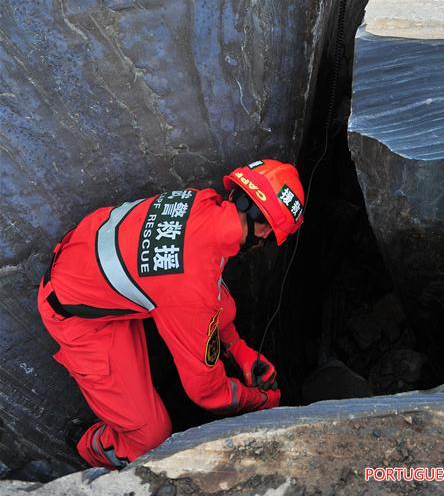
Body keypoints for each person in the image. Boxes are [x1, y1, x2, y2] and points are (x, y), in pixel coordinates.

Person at [38, 159, 305, 469]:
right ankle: (89, 444)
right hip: (79, 317)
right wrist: (260, 400)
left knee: (210, 301)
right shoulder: (191, 287)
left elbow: (208, 290)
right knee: (150, 440)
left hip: (88, 259)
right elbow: (207, 393)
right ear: (265, 229)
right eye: (271, 239)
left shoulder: (199, 202)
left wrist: (238, 349)